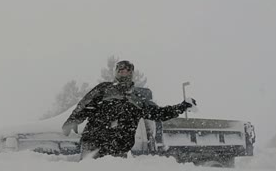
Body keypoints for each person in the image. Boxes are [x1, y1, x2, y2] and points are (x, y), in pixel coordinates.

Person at [62, 60, 197, 159]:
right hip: (93, 144)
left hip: (118, 150)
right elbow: (85, 105)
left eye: (127, 71)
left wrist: (182, 106)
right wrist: (73, 119)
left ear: (132, 73)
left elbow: (159, 113)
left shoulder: (137, 99)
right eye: (120, 70)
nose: (123, 73)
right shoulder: (104, 89)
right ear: (116, 73)